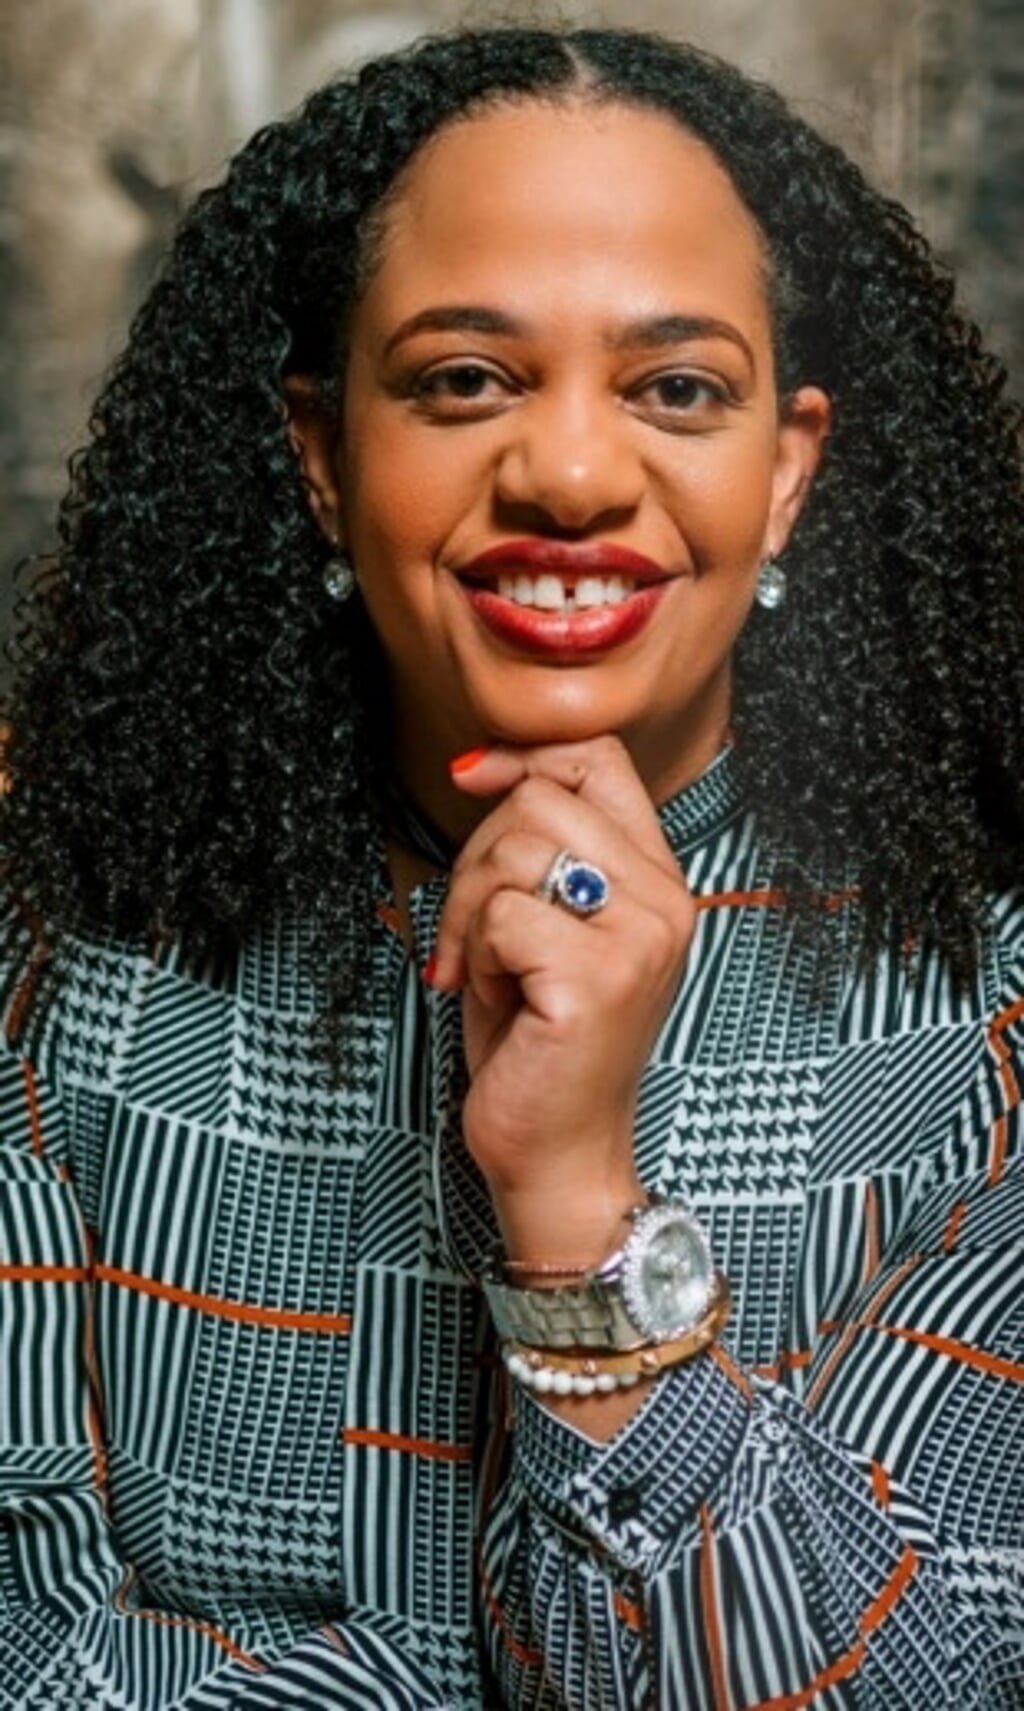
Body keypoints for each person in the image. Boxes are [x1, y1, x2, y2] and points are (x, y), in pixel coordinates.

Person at [0, 22, 1020, 1710]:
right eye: (465, 379)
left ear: (785, 475)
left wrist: (577, 1213)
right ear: (323, 457)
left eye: (676, 388)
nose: (569, 474)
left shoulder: (986, 1034)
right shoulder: (57, 972)